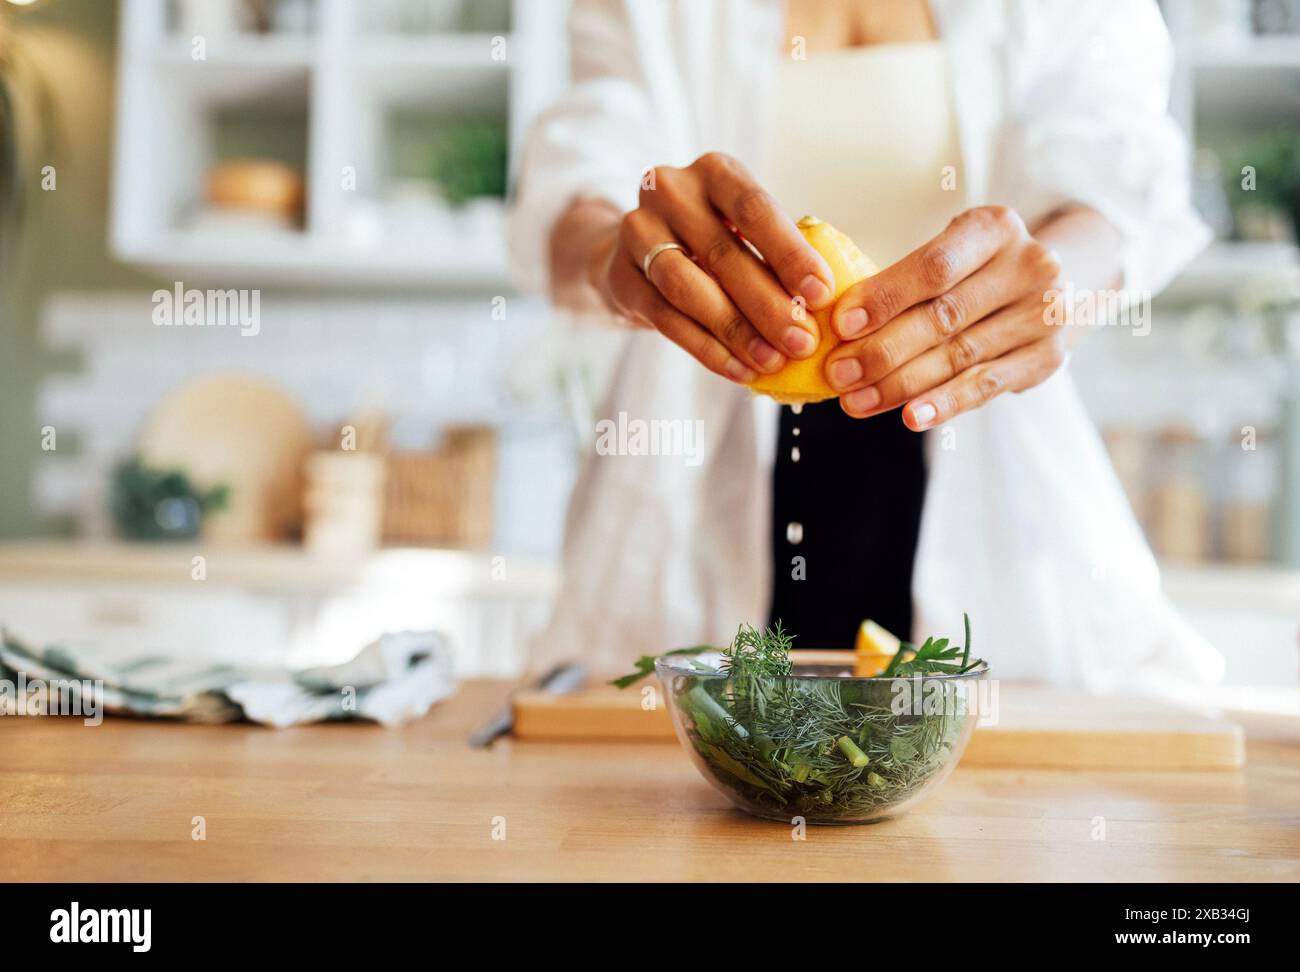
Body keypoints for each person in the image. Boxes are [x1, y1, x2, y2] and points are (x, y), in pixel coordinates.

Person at [509, 0, 1224, 693]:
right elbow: (581, 184)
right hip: (689, 511)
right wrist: (618, 254)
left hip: (988, 484)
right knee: (669, 783)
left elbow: (1118, 184)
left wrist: (1057, 284)